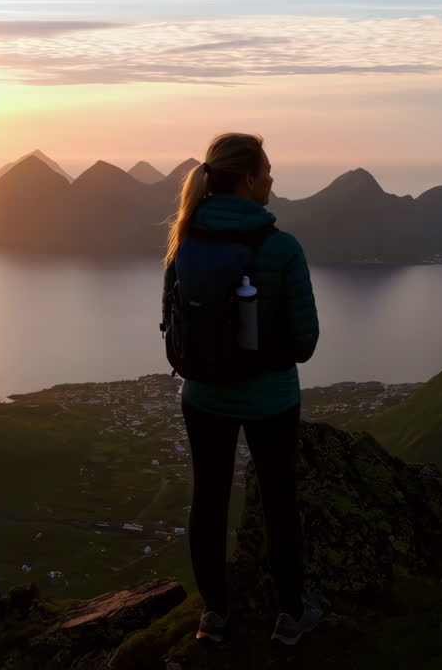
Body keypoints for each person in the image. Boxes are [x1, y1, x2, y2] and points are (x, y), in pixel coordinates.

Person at [161, 132, 322, 646]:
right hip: (271, 399)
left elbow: (174, 325)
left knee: (207, 501)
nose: (273, 178)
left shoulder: (185, 239)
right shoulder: (282, 247)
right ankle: (292, 615)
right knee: (279, 502)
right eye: (268, 170)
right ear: (249, 179)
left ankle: (216, 615)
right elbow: (305, 342)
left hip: (202, 396)